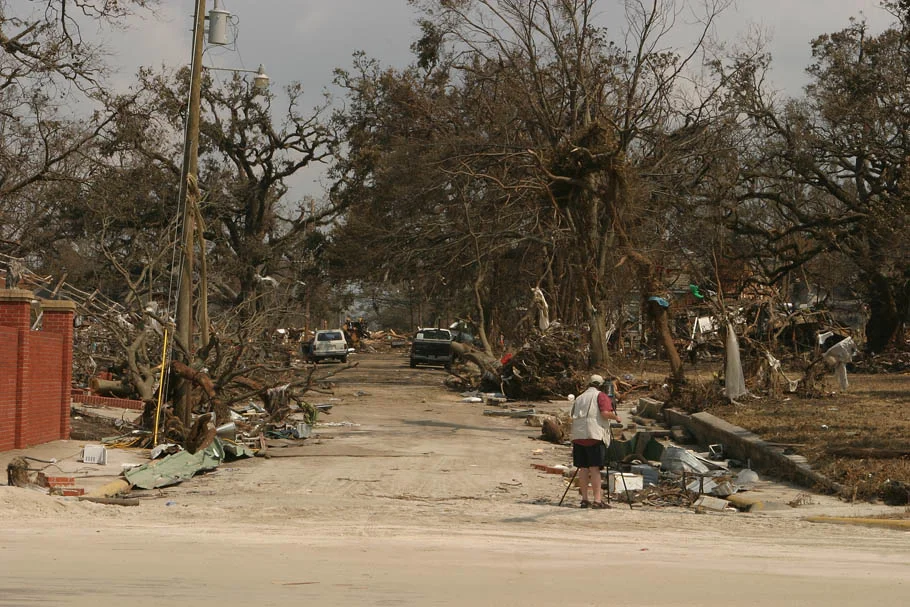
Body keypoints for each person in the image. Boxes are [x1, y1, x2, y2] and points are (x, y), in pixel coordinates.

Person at [570, 374, 621, 509]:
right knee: (594, 468)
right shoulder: (601, 396)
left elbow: (572, 414)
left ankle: (584, 499)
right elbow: (605, 413)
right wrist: (616, 417)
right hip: (594, 436)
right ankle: (597, 500)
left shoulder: (579, 397)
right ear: (601, 385)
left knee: (583, 468)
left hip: (578, 435)